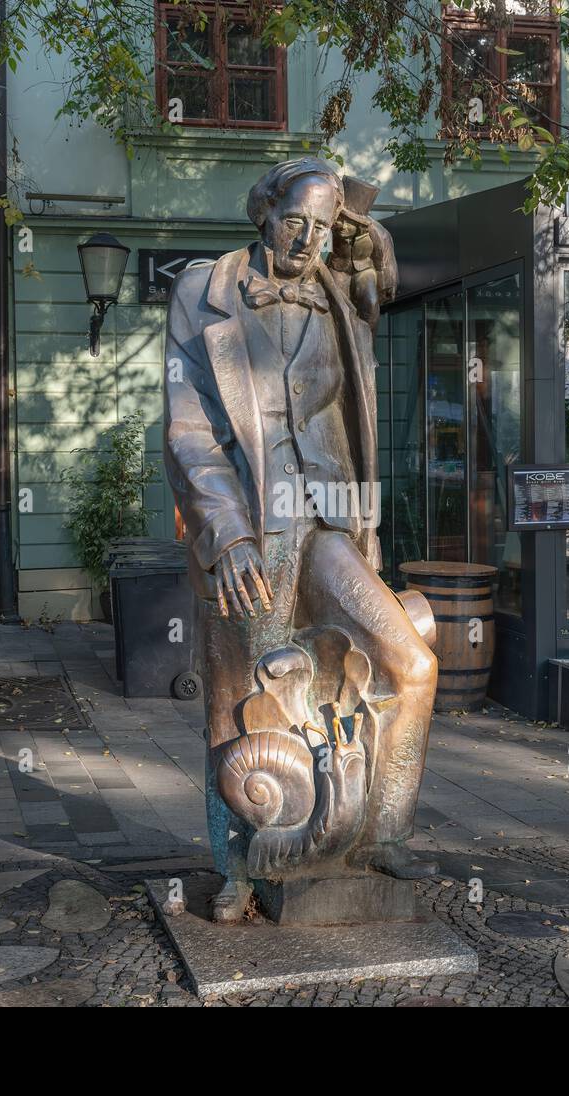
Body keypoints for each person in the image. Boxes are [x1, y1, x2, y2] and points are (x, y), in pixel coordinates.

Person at [163, 158, 438, 922]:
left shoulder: (338, 302)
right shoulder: (203, 291)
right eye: (296, 222)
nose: (308, 241)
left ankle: (382, 832)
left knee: (409, 663)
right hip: (248, 527)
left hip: (327, 520)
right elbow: (189, 431)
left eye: (322, 229)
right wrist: (225, 534)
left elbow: (375, 277)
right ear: (264, 211)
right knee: (237, 701)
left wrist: (361, 228)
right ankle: (239, 872)